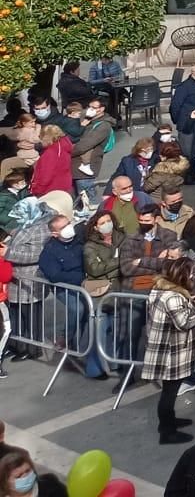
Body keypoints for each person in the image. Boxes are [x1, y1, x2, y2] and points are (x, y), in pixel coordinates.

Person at [144, 257, 195, 443]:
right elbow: (184, 322)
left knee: (169, 390)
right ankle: (167, 431)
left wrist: (194, 304)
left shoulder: (163, 291)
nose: (193, 277)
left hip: (169, 349)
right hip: (171, 352)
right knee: (169, 392)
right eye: (191, 274)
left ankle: (169, 420)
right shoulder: (172, 297)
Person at [36, 211, 109, 381]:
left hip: (87, 285)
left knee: (92, 314)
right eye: (63, 227)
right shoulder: (49, 251)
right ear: (54, 233)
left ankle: (79, 342)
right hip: (66, 288)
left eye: (69, 223)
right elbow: (55, 275)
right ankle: (68, 339)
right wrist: (81, 279)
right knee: (78, 309)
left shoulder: (79, 242)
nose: (69, 228)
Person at [71, 99, 113, 182]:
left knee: (85, 193)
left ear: (101, 109)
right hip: (73, 165)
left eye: (93, 107)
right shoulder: (84, 115)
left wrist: (66, 152)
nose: (90, 109)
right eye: (89, 107)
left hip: (84, 173)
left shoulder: (104, 126)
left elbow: (83, 146)